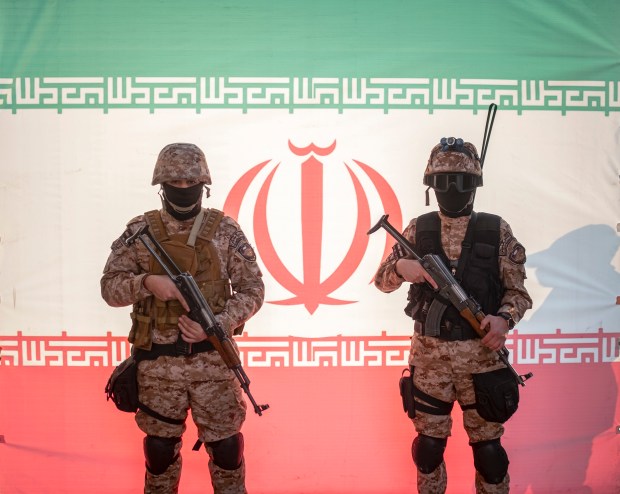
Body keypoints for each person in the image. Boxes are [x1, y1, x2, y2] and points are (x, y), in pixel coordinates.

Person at [101, 143, 265, 494]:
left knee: (227, 450)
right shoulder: (139, 230)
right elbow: (110, 288)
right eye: (175, 187)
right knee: (159, 452)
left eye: (190, 187)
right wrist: (146, 283)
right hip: (158, 367)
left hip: (214, 366)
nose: (183, 194)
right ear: (161, 187)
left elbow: (253, 290)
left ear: (204, 187)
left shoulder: (225, 231)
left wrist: (216, 325)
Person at [373, 137, 532, 494]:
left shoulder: (496, 230)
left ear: (474, 184)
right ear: (431, 185)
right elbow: (381, 281)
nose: (452, 189)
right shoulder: (418, 228)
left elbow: (518, 293)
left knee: (490, 456)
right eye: (443, 182)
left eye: (461, 181)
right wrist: (401, 266)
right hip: (430, 362)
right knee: (428, 451)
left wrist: (503, 320)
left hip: (484, 360)